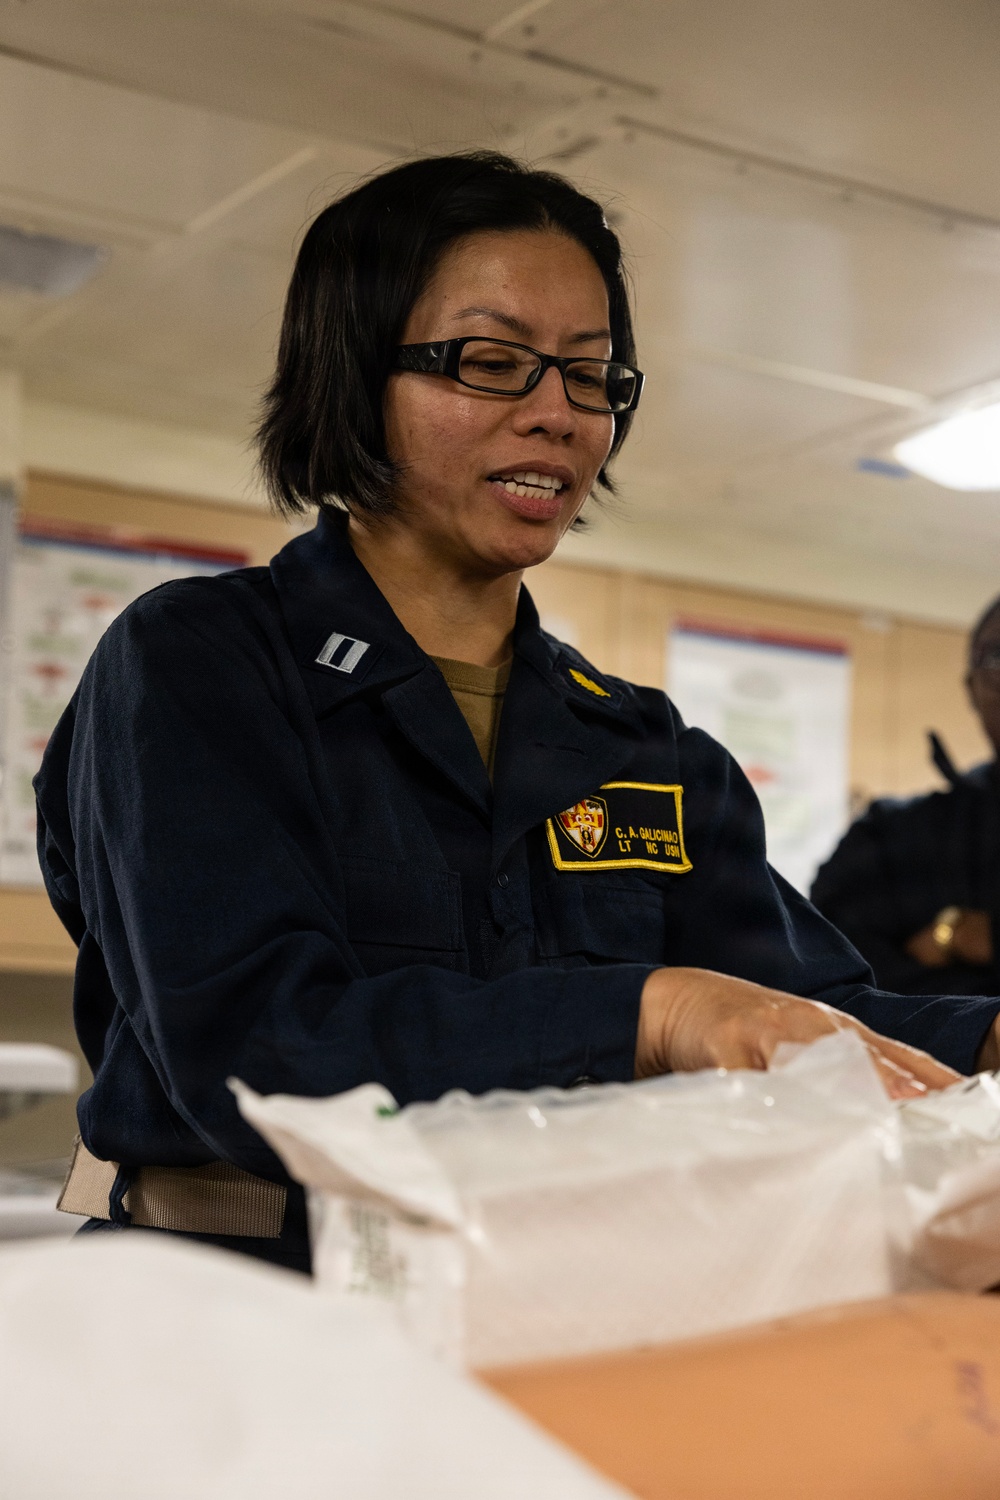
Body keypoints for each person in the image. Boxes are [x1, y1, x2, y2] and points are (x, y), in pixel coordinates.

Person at [35, 153, 996, 1275]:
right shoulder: (200, 663)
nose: (557, 416)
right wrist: (649, 1012)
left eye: (592, 375)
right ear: (353, 375)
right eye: (492, 364)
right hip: (235, 1306)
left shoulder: (642, 746)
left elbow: (813, 1013)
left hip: (549, 1303)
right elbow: (259, 1051)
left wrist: (981, 1038)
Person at [812, 595, 1000, 997]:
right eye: (998, 657)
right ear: (972, 688)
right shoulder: (890, 835)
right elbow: (834, 970)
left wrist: (972, 937)